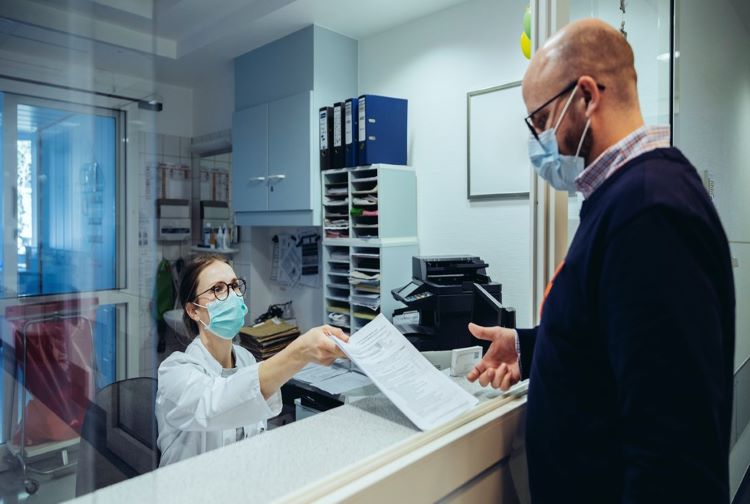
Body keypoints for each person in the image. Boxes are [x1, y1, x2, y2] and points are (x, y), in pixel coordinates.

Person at [467, 19, 735, 502]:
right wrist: (529, 346)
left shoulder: (650, 212)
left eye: (541, 121)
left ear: (587, 96)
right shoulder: (624, 198)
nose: (537, 141)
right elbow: (615, 339)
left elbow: (672, 453)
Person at [156, 254, 348, 466]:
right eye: (218, 289)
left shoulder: (246, 360)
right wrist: (300, 351)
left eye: (235, 286)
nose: (231, 296)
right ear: (193, 310)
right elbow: (218, 402)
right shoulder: (174, 373)